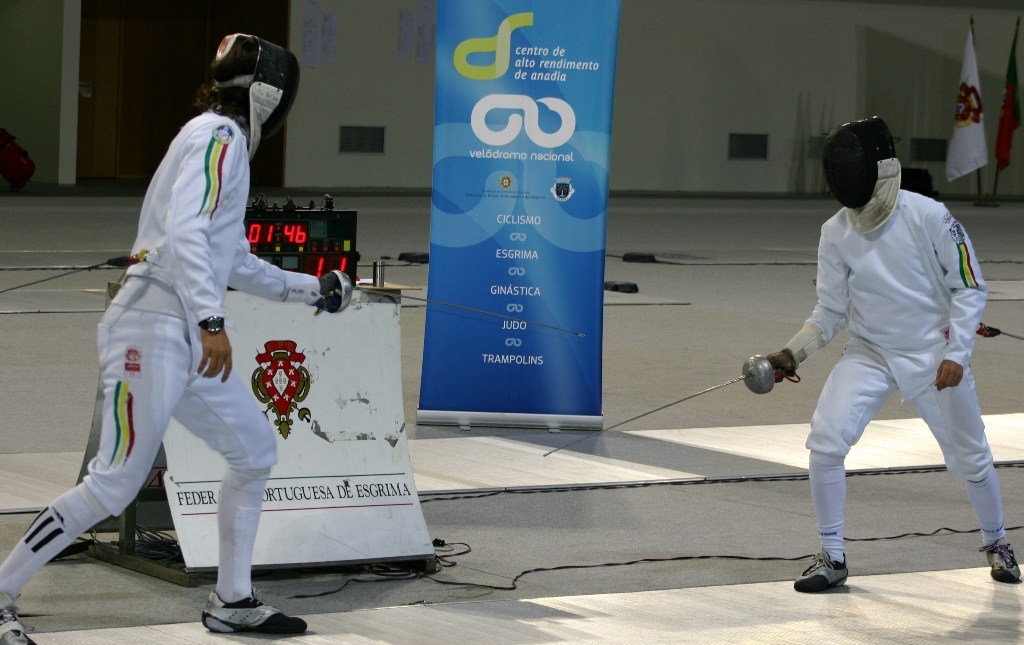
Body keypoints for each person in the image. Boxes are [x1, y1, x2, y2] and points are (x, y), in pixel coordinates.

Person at [0, 34, 352, 644]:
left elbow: (231, 259)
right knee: (113, 482)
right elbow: (188, 232)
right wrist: (212, 323)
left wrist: (312, 287)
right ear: (270, 93)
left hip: (181, 336)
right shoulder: (220, 140)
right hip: (153, 329)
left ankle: (233, 600)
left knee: (254, 449)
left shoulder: (215, 138)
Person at [765, 116, 1020, 593]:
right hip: (871, 351)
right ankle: (832, 556)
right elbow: (830, 310)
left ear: (880, 167)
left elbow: (969, 287)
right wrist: (791, 353)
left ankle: (998, 542)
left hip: (934, 353)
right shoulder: (836, 231)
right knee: (825, 440)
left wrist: (957, 355)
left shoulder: (930, 216)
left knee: (970, 457)